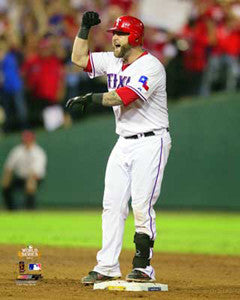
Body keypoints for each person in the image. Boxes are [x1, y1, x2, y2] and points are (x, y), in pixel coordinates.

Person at [66, 11, 172, 284]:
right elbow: (78, 59)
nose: (114, 37)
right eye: (113, 33)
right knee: (112, 205)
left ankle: (143, 265)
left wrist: (90, 98)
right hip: (123, 141)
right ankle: (107, 265)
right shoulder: (114, 61)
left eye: (120, 33)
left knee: (141, 204)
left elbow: (123, 97)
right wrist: (84, 29)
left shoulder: (151, 67)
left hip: (151, 141)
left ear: (134, 37)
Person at [1, 130, 47, 210]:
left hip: (35, 177)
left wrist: (31, 180)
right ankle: (11, 210)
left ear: (33, 140)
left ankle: (30, 209)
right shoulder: (17, 150)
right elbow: (9, 167)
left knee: (30, 183)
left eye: (29, 140)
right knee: (6, 186)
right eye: (25, 139)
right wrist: (6, 179)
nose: (27, 142)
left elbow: (36, 171)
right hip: (20, 178)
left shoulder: (38, 152)